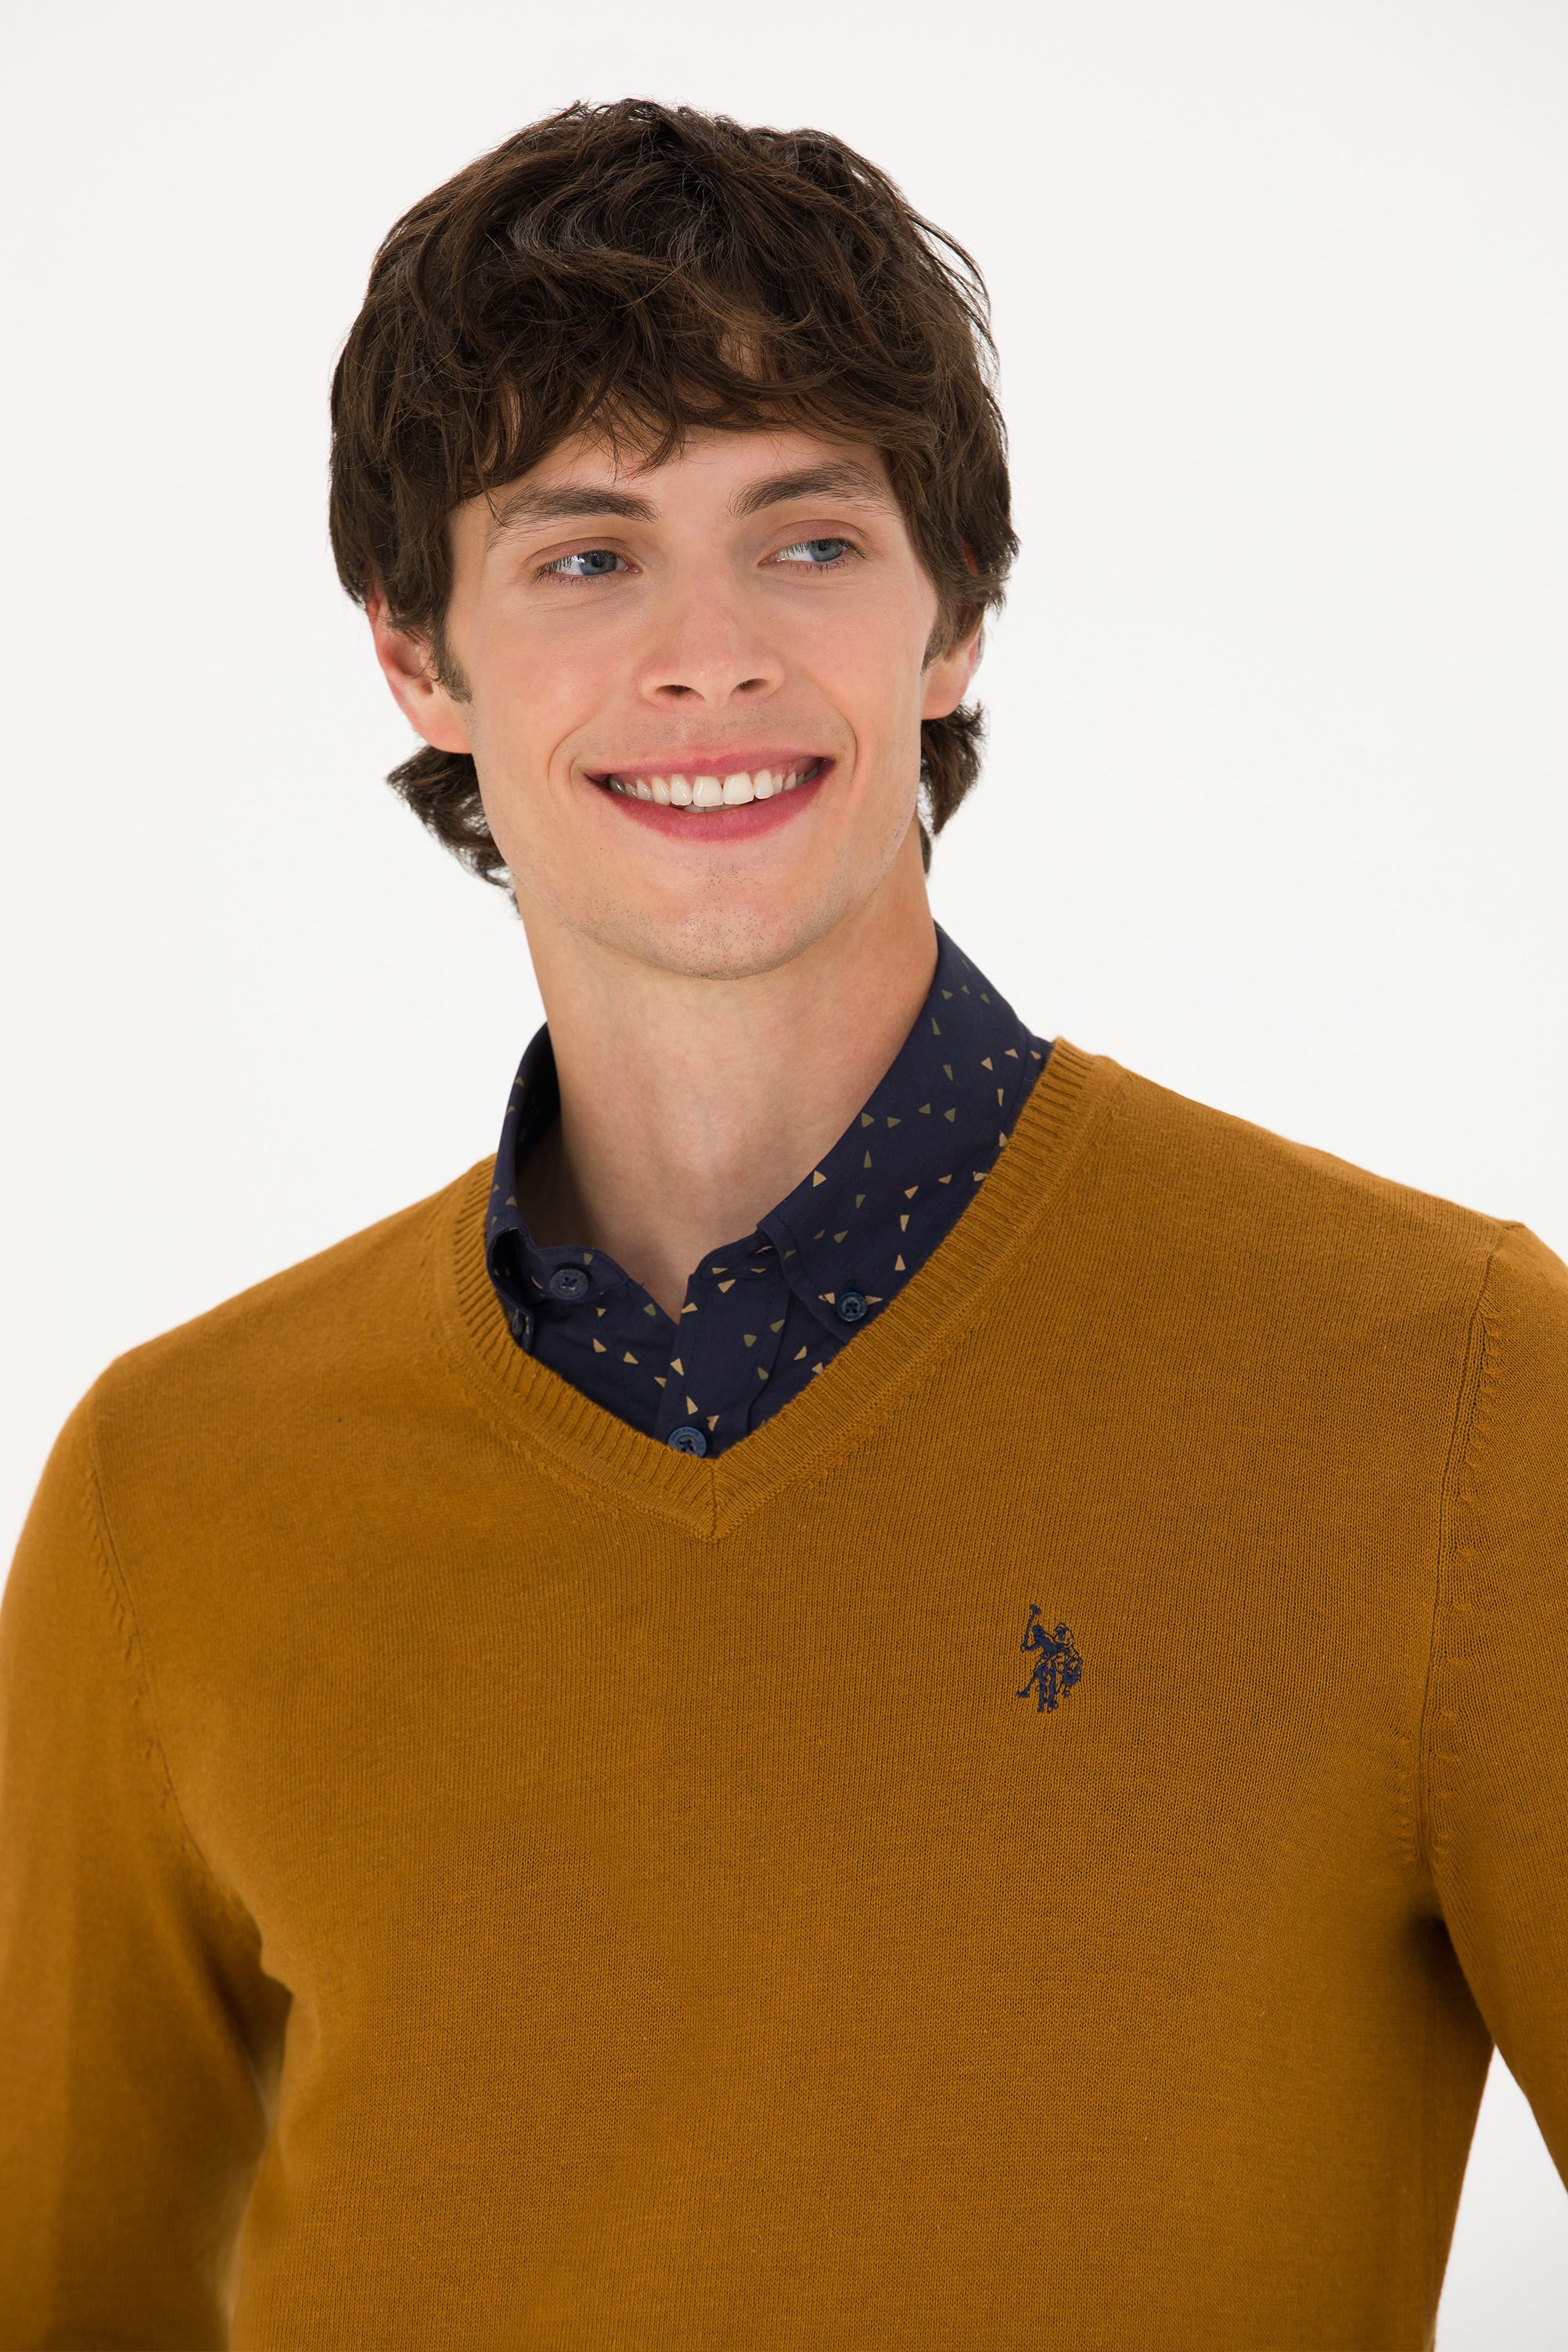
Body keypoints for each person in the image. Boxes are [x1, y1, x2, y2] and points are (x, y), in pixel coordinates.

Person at [1, 97, 1563, 2351]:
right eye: (584, 556)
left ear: (953, 618)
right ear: (418, 659)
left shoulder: (1444, 1389)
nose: (707, 653)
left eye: (807, 539)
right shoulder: (170, 1499)